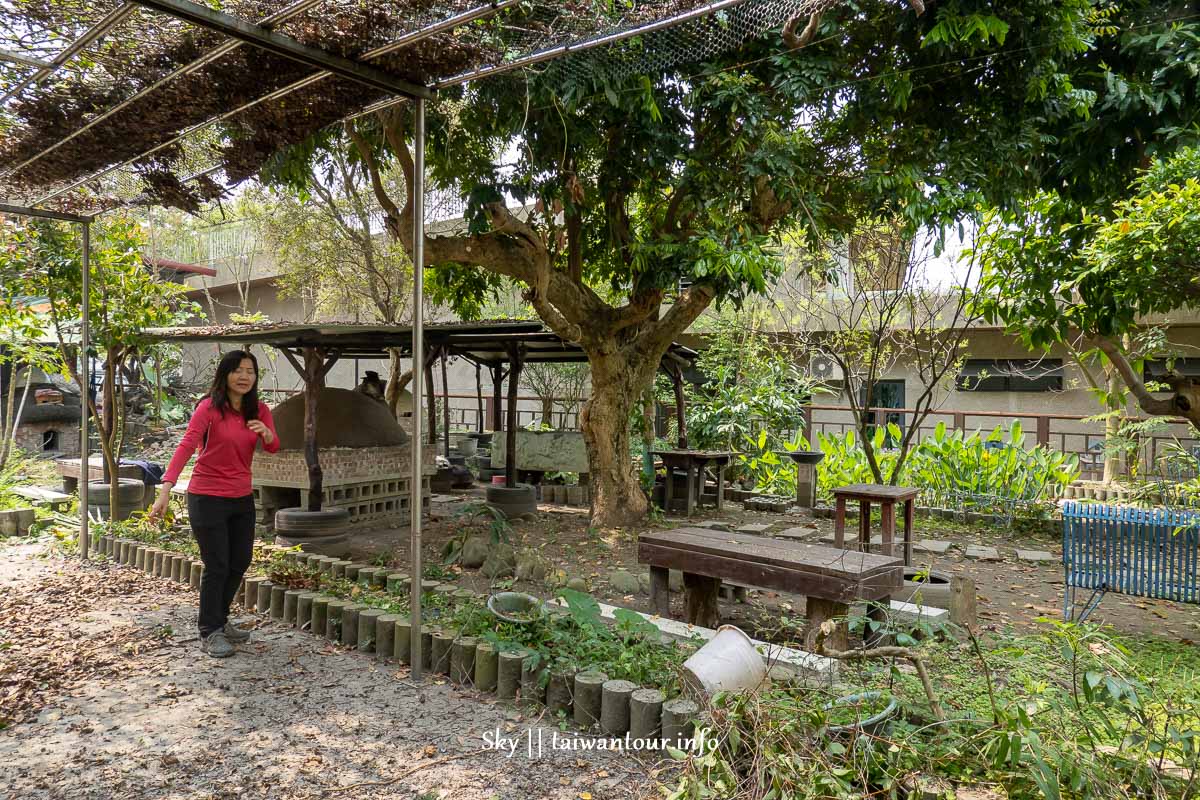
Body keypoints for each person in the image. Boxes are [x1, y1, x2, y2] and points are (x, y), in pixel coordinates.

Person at [149, 350, 280, 658]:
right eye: (238, 370)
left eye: (250, 371)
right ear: (225, 375)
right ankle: (210, 631)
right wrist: (166, 488)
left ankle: (219, 621)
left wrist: (268, 433)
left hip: (241, 497)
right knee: (218, 564)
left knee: (240, 561)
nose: (245, 376)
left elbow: (273, 447)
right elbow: (185, 445)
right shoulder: (208, 408)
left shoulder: (259, 410)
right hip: (206, 497)